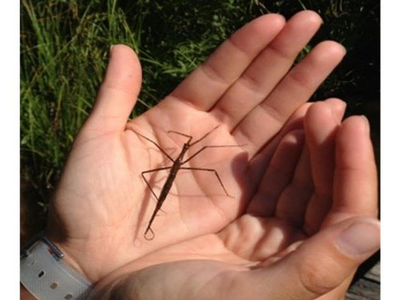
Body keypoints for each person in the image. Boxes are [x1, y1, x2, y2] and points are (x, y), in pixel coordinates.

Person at [21, 10, 379, 300]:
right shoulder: (179, 153)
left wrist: (75, 274)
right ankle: (143, 227)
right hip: (157, 189)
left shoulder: (190, 150)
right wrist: (81, 265)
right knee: (156, 190)